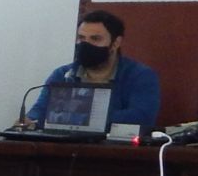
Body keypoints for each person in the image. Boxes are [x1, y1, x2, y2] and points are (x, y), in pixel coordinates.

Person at [25, 8, 162, 129]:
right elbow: (37, 114)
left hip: (113, 148)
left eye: (95, 39)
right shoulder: (63, 74)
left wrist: (78, 116)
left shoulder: (139, 76)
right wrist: (27, 122)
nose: (86, 44)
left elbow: (142, 117)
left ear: (115, 43)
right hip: (64, 146)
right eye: (81, 38)